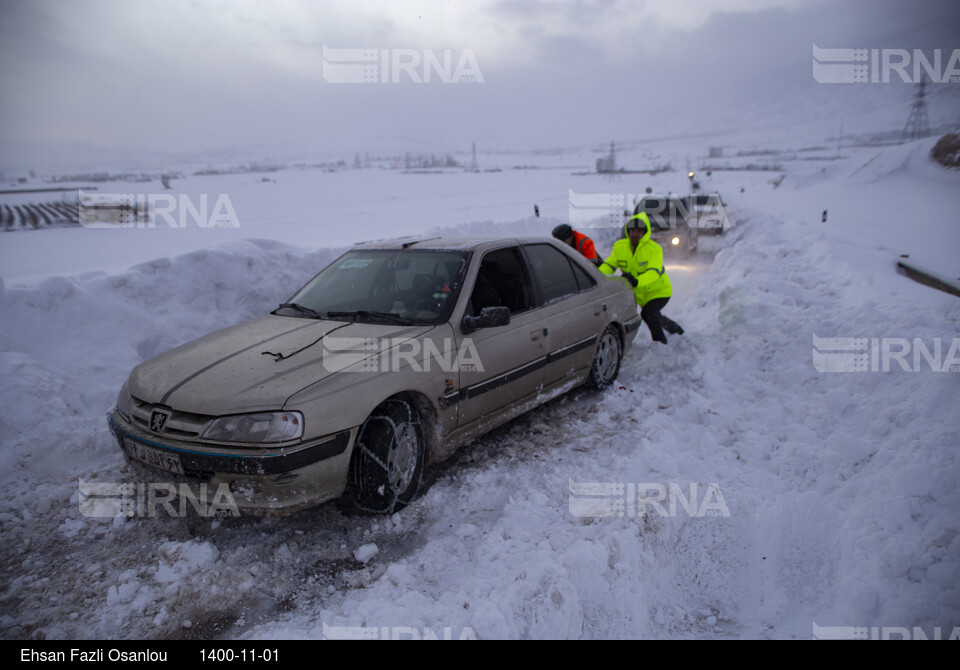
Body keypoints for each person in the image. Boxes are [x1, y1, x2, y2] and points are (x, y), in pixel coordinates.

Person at [598, 212, 683, 344]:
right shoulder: (620, 247)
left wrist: (637, 281)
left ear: (644, 232)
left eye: (638, 231)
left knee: (648, 314)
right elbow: (609, 265)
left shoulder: (654, 249)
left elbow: (654, 272)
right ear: (628, 231)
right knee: (654, 315)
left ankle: (660, 342)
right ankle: (675, 329)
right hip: (639, 294)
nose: (635, 233)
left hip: (659, 292)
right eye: (632, 230)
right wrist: (597, 277)